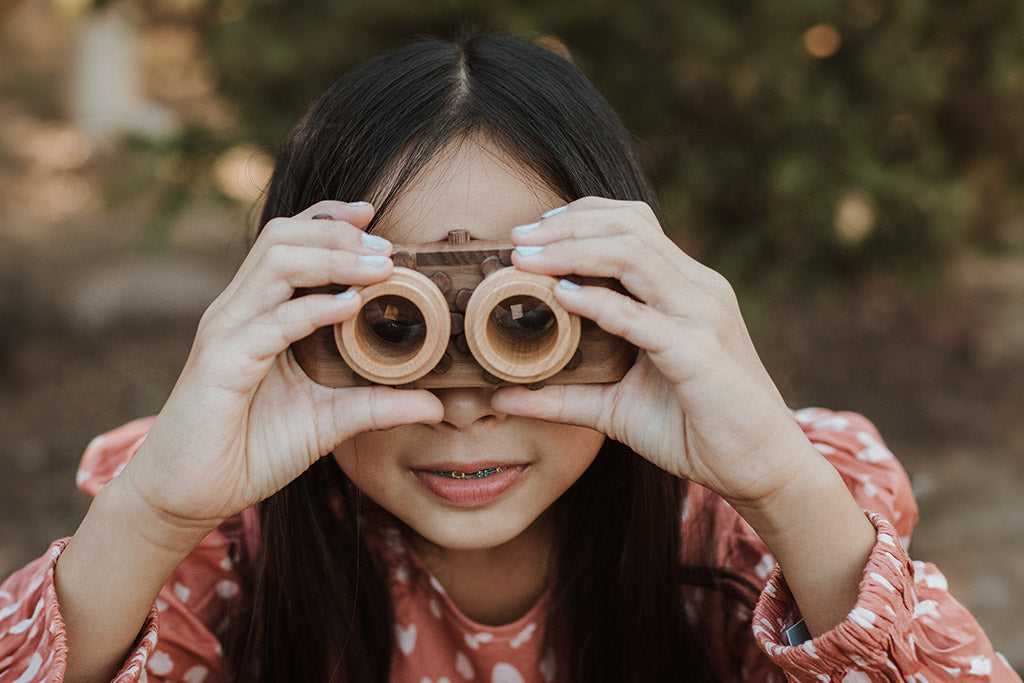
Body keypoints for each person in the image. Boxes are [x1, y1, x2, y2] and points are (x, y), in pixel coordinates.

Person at [0, 33, 1017, 683]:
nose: (464, 403)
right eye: (394, 326)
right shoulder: (226, 549)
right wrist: (157, 512)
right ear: (296, 322)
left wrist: (781, 483)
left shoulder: (726, 537)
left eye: (524, 321)